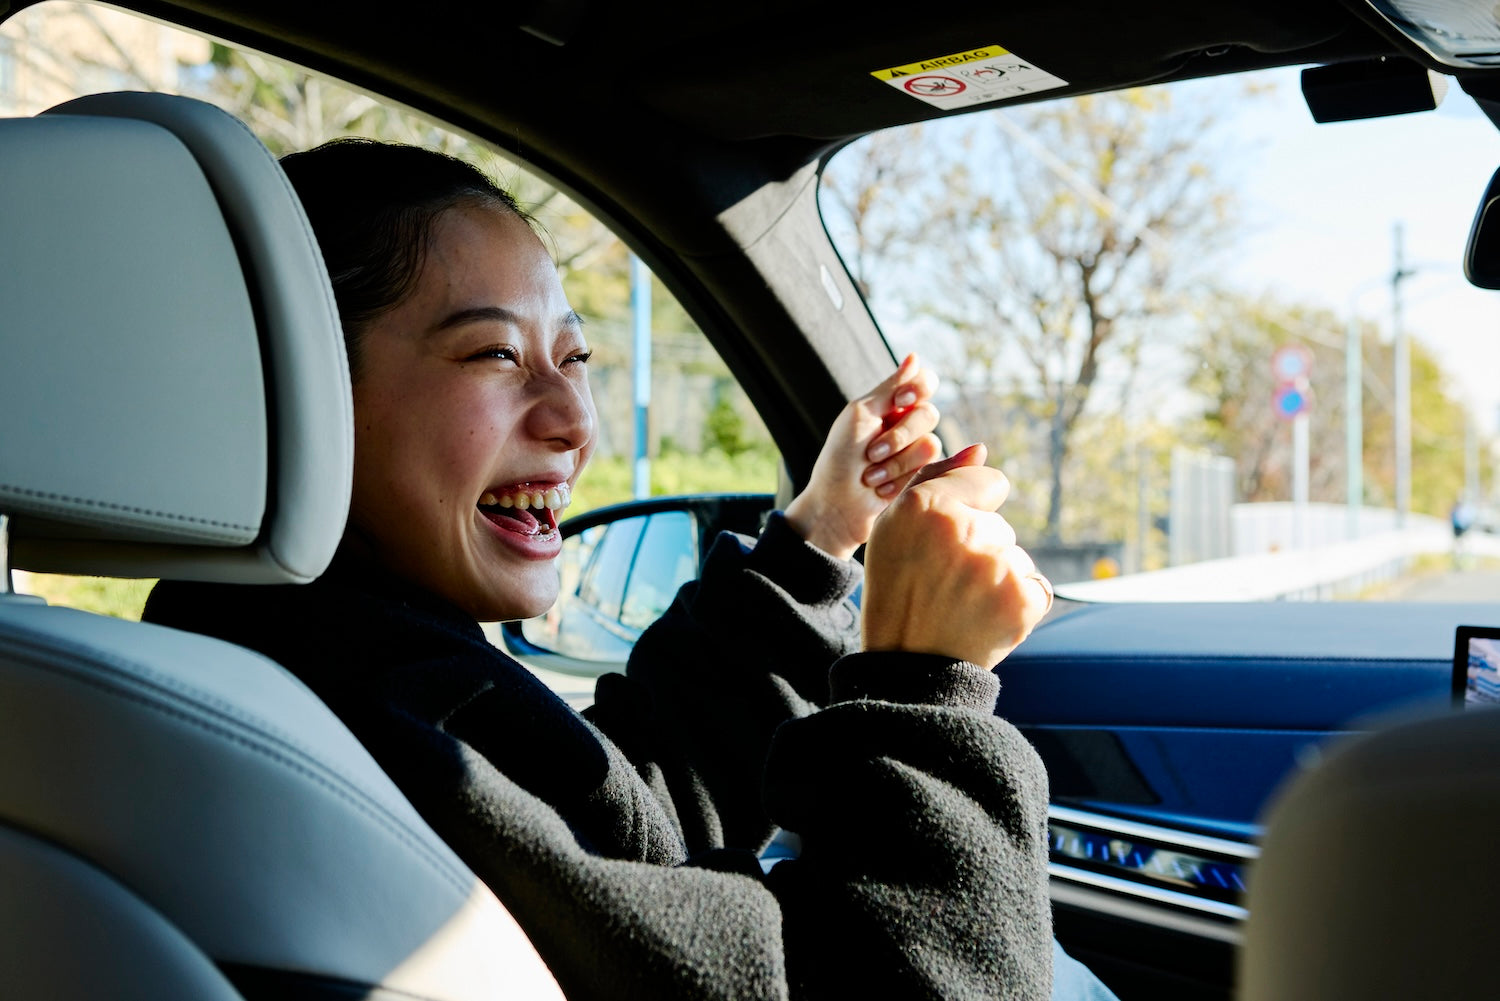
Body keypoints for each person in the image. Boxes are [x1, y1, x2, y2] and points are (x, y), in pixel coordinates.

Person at [144, 139, 1072, 1001]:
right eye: (496, 353)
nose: (573, 420)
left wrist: (821, 532)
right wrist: (924, 688)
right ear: (296, 389)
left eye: (575, 356)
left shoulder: (272, 659)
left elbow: (628, 826)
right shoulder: (378, 729)